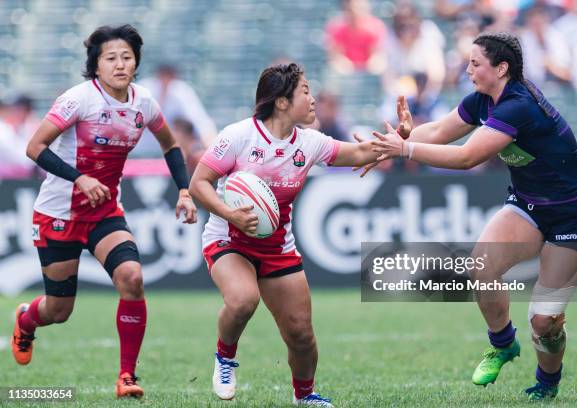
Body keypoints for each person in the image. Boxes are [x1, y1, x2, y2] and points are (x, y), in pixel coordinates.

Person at [359, 32, 577, 401]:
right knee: (480, 267)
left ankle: (547, 382)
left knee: (544, 322)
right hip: (529, 205)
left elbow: (467, 157)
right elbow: (440, 131)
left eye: (475, 63)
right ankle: (504, 344)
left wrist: (405, 149)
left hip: (575, 215)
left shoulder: (518, 105)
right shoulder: (483, 101)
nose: (467, 69)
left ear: (501, 68)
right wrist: (395, 141)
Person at [10, 24, 198, 399]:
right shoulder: (78, 99)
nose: (120, 64)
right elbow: (35, 147)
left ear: (136, 63)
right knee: (59, 311)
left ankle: (126, 376)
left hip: (105, 212)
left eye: (127, 57)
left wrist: (184, 190)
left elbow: (171, 146)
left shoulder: (143, 102)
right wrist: (79, 178)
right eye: (110, 58)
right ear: (96, 65)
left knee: (132, 278)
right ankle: (26, 319)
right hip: (58, 213)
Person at [188, 63, 383, 407]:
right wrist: (231, 214)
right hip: (228, 240)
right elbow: (199, 184)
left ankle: (304, 396)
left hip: (277, 248)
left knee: (301, 335)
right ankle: (224, 358)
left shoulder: (309, 143)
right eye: (305, 92)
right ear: (281, 102)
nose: (312, 99)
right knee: (243, 300)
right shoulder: (238, 136)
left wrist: (405, 138)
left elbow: (360, 152)